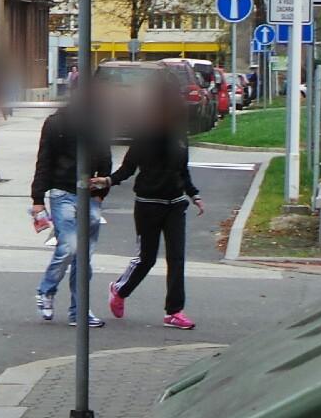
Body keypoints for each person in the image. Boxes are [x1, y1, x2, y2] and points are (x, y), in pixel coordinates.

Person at [107, 84, 204, 329]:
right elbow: (128, 168)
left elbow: (182, 170)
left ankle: (174, 311)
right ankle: (120, 289)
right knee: (146, 258)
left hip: (175, 205)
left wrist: (194, 194)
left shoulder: (180, 136)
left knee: (177, 258)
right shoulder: (146, 135)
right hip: (148, 204)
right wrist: (109, 181)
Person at [29, 86, 112, 327]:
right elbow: (44, 160)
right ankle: (46, 289)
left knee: (83, 257)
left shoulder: (97, 124)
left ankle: (79, 310)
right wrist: (37, 199)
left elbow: (105, 157)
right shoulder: (56, 123)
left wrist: (101, 193)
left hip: (89, 193)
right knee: (70, 247)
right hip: (62, 192)